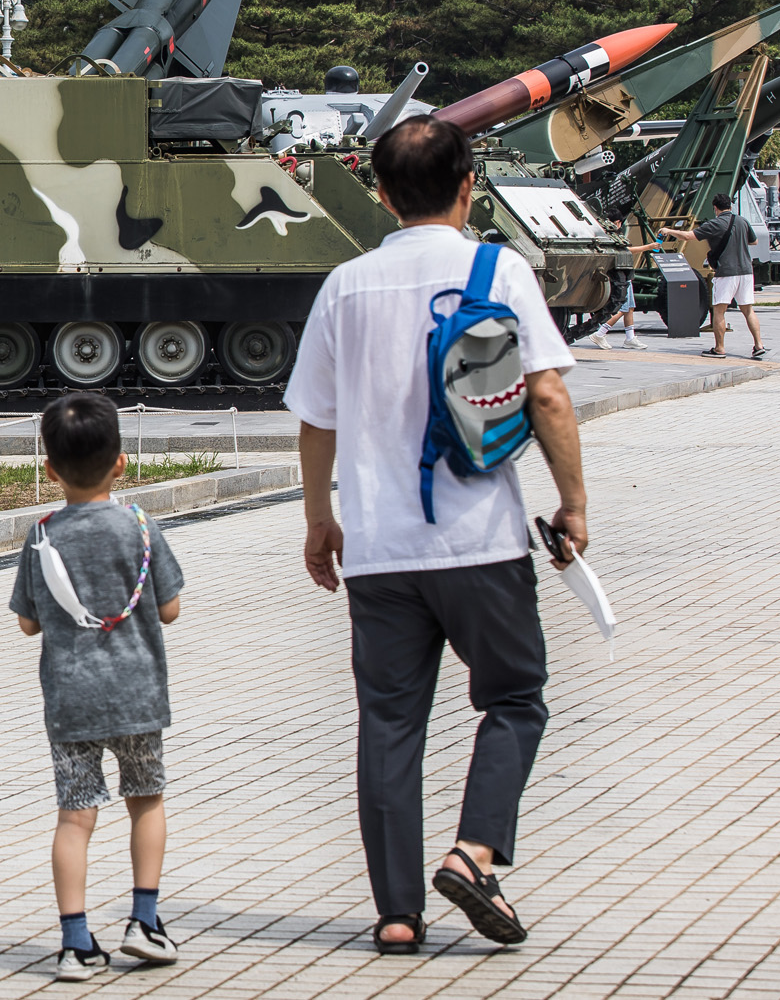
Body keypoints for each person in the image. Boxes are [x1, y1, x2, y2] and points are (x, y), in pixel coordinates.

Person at [284, 115, 590, 955]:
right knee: (516, 698)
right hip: (482, 540)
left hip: (379, 549)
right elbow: (549, 397)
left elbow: (315, 419)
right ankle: (474, 849)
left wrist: (321, 518)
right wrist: (574, 505)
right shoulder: (500, 268)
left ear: (380, 194)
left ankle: (395, 912)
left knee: (388, 724)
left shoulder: (345, 284)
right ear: (469, 186)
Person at [9, 392, 184, 981]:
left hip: (70, 698)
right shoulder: (139, 526)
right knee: (146, 801)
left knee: (75, 817)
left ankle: (76, 941)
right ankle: (145, 921)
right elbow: (171, 609)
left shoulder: (42, 535)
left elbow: (29, 621)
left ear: (50, 469)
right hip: (137, 694)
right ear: (121, 463)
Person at [660, 195, 765, 359]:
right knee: (748, 310)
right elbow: (755, 241)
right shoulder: (742, 221)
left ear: (715, 208)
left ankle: (719, 348)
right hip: (746, 271)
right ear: (730, 206)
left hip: (726, 273)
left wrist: (668, 231)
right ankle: (759, 345)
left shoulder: (715, 224)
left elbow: (688, 236)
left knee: (719, 311)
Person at [587, 239, 663, 351]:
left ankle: (630, 338)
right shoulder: (611, 237)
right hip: (620, 277)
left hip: (625, 275)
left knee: (629, 308)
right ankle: (600, 333)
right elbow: (626, 251)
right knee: (622, 308)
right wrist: (648, 247)